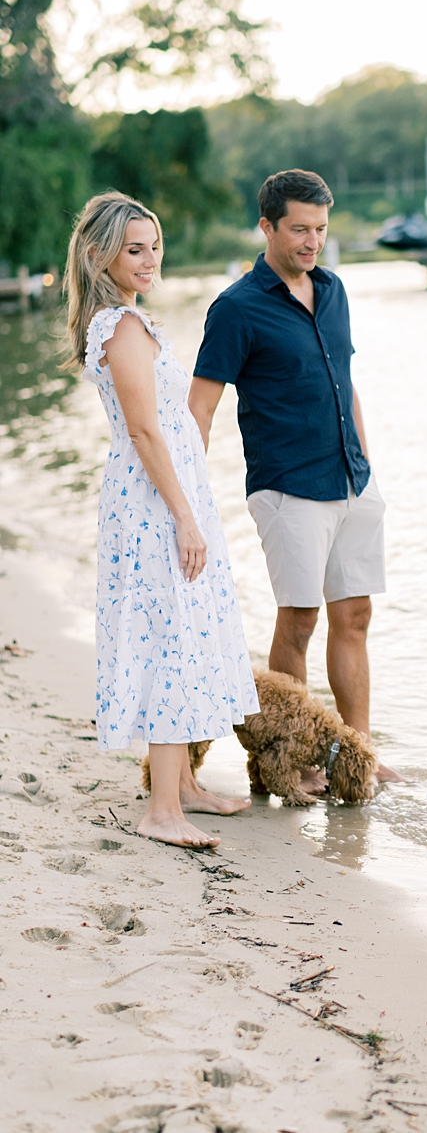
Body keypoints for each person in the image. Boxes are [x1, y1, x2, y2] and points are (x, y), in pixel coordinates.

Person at [187, 170, 399, 785]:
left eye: (321, 230)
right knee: (299, 619)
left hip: (352, 479)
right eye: (300, 229)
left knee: (354, 614)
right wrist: (187, 494)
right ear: (268, 227)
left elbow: (345, 379)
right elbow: (200, 407)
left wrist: (365, 460)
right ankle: (288, 757)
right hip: (287, 485)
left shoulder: (334, 291)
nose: (313, 242)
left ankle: (354, 755)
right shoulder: (236, 308)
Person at [64, 192, 255, 848]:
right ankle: (161, 810)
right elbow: (145, 431)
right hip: (152, 506)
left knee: (188, 635)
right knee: (170, 641)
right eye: (135, 249)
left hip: (167, 499)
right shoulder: (119, 328)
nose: (150, 259)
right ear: (100, 257)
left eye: (155, 246)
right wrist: (183, 515)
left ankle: (184, 788)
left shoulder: (130, 323)